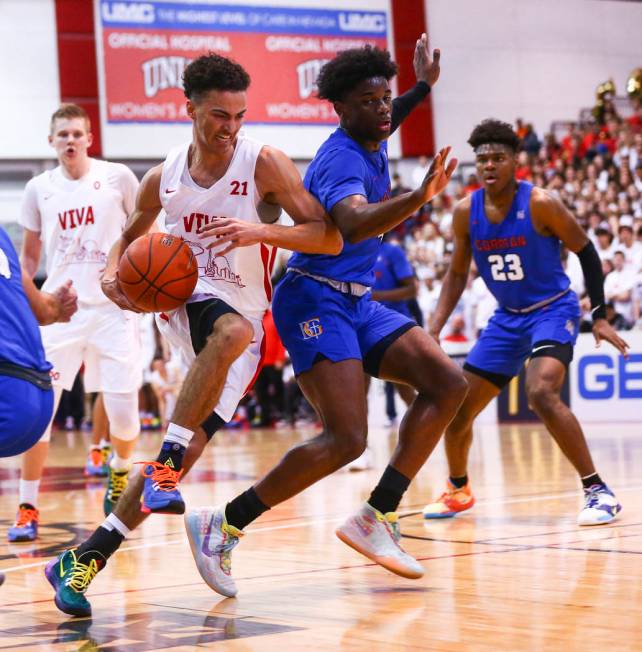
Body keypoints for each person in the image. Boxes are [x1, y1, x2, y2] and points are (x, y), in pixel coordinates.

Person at [45, 53, 342, 617]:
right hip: (190, 303)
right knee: (225, 331)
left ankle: (81, 560)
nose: (230, 128)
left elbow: (325, 237)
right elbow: (129, 236)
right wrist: (112, 274)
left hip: (245, 315)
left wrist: (258, 228)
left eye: (238, 115)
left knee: (189, 440)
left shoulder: (264, 163)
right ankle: (163, 470)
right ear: (190, 110)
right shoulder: (166, 177)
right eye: (217, 116)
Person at [180, 35, 466, 600]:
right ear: (341, 107)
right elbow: (352, 225)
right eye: (371, 100)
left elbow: (389, 111)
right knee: (347, 438)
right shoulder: (340, 159)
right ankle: (224, 523)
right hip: (312, 296)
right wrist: (420, 196)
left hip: (356, 298)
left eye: (387, 98)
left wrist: (422, 87)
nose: (385, 109)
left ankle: (376, 515)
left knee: (447, 383)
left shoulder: (375, 127)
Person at [421, 119, 629, 526]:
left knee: (541, 391)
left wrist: (600, 314)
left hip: (553, 309)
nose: (489, 166)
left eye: (499, 158)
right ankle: (458, 489)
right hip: (506, 320)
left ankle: (597, 490)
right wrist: (433, 327)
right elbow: (457, 275)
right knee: (456, 408)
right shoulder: (466, 213)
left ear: (516, 161)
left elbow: (587, 252)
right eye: (482, 159)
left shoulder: (541, 203)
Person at [8, 104, 143, 543]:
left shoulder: (119, 177)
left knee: (124, 419)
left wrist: (138, 281)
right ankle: (27, 506)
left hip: (113, 307)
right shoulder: (37, 189)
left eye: (77, 134)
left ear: (89, 139)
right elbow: (29, 259)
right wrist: (31, 303)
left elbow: (144, 232)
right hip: (60, 312)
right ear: (51, 142)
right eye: (62, 134)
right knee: (38, 414)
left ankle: (119, 472)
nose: (70, 140)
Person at [0, 225, 77, 585]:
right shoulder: (2, 237)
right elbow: (46, 311)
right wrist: (60, 305)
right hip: (39, 395)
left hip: (8, 394)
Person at [349, 235, 418, 470]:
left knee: (405, 388)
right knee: (359, 389)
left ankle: (424, 435)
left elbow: (411, 289)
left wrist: (374, 297)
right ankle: (361, 450)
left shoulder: (392, 252)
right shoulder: (352, 249)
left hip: (392, 325)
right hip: (361, 324)